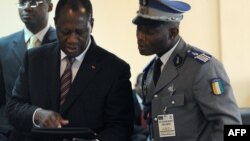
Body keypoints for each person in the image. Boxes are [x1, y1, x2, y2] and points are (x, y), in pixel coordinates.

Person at [7, 0, 134, 141]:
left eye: (79, 32)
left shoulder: (114, 69)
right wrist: (37, 114)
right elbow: (13, 108)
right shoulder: (34, 59)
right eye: (65, 32)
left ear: (91, 24)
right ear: (55, 23)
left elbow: (121, 127)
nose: (72, 40)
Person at [132, 0, 242, 141]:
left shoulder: (202, 67)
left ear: (173, 32)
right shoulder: (151, 71)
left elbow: (231, 126)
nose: (140, 37)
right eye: (139, 29)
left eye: (150, 32)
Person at [0, 0, 56, 140]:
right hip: (9, 134)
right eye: (22, 2)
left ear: (49, 6)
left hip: (49, 133)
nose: (27, 8)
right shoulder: (3, 46)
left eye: (33, 2)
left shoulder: (64, 44)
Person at [132, 73, 149, 141]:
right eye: (142, 84)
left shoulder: (153, 98)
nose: (145, 87)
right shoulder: (127, 99)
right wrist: (150, 130)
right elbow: (129, 126)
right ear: (136, 85)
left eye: (148, 84)